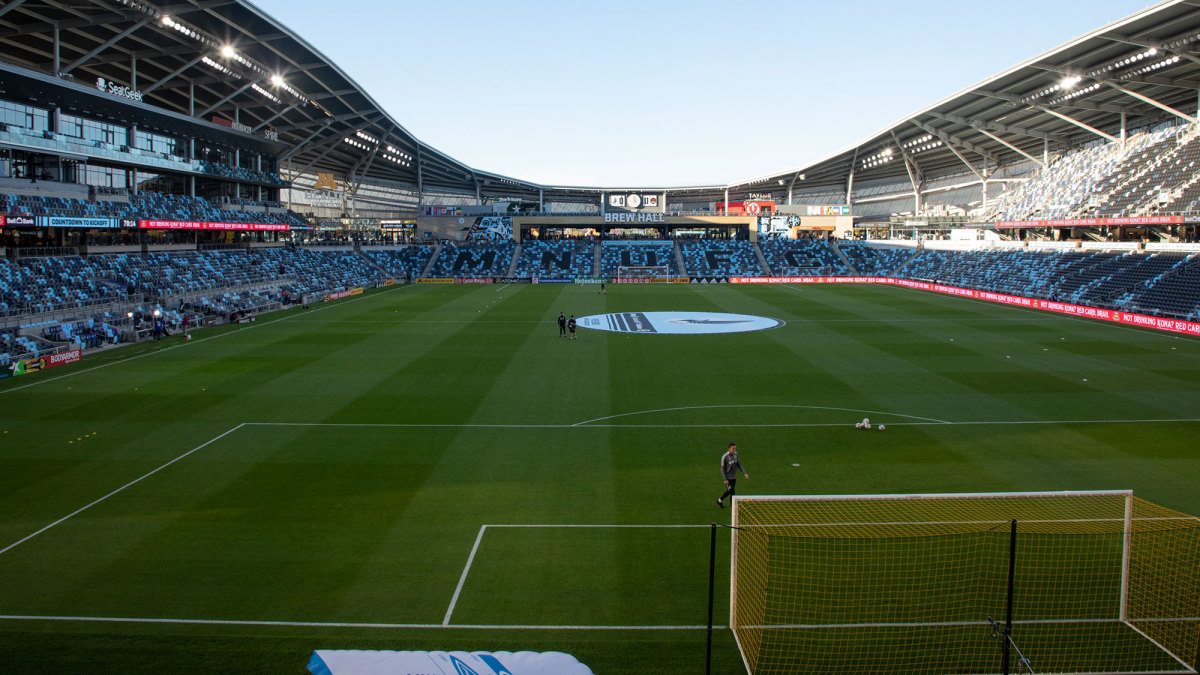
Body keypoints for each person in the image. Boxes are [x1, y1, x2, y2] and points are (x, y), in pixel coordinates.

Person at [717, 442, 748, 508]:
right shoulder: (724, 457)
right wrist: (725, 479)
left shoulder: (736, 454)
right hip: (728, 478)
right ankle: (733, 506)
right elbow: (722, 469)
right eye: (733, 448)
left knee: (730, 491)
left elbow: (739, 465)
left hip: (733, 477)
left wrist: (744, 473)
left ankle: (719, 501)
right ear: (729, 448)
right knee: (732, 491)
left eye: (735, 448)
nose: (734, 450)